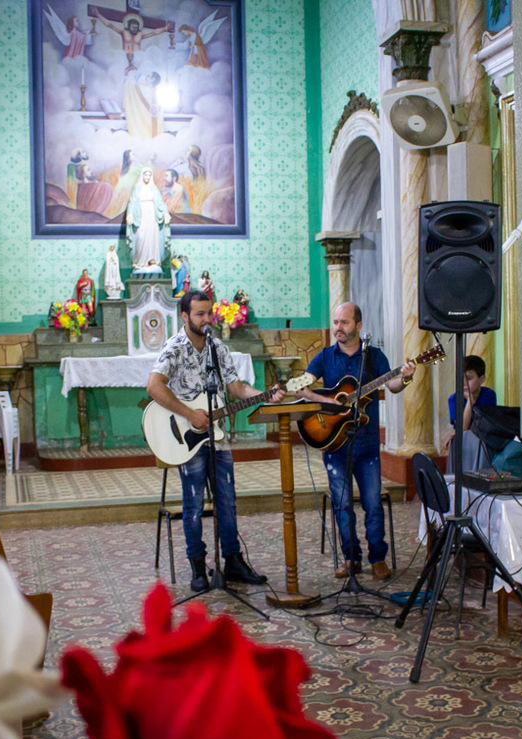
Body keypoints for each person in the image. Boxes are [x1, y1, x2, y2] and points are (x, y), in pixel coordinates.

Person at [146, 290, 283, 591]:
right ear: (185, 316)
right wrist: (188, 413)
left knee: (227, 500)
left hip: (217, 438)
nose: (207, 319)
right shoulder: (174, 348)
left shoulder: (217, 348)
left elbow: (235, 387)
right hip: (186, 438)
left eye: (209, 313)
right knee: (193, 505)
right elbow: (154, 387)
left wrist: (264, 395)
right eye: (199, 314)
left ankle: (232, 561)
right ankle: (198, 566)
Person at [295, 302, 415, 580]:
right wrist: (329, 401)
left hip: (367, 445)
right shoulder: (325, 356)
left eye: (344, 323)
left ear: (359, 326)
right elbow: (302, 386)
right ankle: (351, 558)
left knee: (372, 504)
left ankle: (378, 558)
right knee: (342, 505)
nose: (338, 328)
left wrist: (406, 378)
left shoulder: (374, 357)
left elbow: (393, 386)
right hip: (334, 445)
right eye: (335, 322)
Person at [440, 354, 497, 460]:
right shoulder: (454, 399)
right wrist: (470, 401)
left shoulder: (489, 395)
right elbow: (463, 429)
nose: (464, 383)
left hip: (482, 444)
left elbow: (485, 426)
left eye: (469, 378)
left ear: (482, 379)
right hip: (464, 445)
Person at [126, 166, 170, 268]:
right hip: (141, 216)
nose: (148, 177)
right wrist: (130, 214)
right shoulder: (137, 188)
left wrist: (166, 213)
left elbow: (160, 203)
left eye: (150, 175)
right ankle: (140, 262)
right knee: (140, 237)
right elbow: (132, 202)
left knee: (152, 237)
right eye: (146, 175)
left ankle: (153, 261)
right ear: (142, 175)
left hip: (152, 216)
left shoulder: (154, 189)